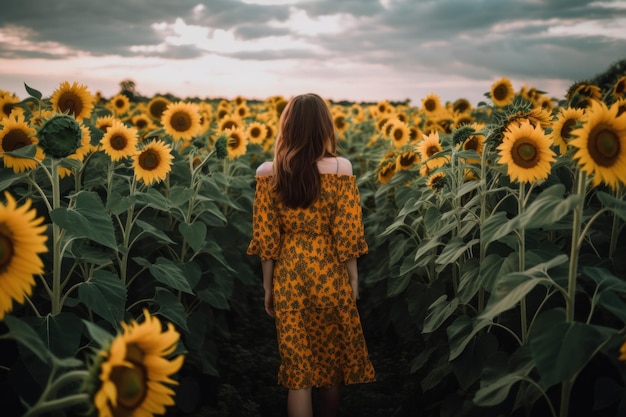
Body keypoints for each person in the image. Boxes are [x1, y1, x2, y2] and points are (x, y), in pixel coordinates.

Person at [247, 93, 376, 417]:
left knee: (298, 373)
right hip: (329, 273)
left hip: (289, 276)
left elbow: (267, 239)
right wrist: (353, 279)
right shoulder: (340, 169)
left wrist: (268, 287)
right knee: (330, 367)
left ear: (287, 127)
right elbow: (347, 233)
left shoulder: (268, 173)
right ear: (324, 126)